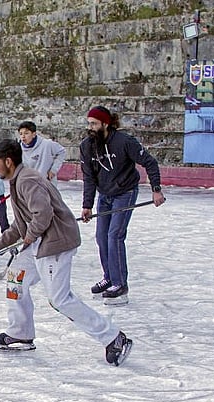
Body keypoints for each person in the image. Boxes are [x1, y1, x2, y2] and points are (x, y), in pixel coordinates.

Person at [0, 139, 133, 366]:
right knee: (15, 280)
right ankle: (21, 332)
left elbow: (42, 215)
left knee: (59, 299)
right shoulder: (19, 180)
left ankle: (113, 338)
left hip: (55, 243)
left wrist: (30, 236)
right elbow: (21, 223)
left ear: (8, 161)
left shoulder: (27, 180)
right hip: (39, 243)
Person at [79, 105, 166, 305]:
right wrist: (87, 205)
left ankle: (120, 284)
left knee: (114, 236)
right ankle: (109, 277)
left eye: (94, 123)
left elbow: (150, 163)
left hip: (125, 192)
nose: (90, 127)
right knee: (101, 237)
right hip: (105, 195)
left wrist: (156, 189)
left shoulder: (125, 141)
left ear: (105, 123)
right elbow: (89, 177)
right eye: (89, 123)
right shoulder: (87, 146)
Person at [17, 120, 66, 187]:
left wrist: (53, 170)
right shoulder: (18, 148)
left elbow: (62, 151)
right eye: (21, 134)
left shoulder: (47, 144)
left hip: (46, 185)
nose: (23, 136)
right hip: (28, 185)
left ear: (34, 134)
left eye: (26, 133)